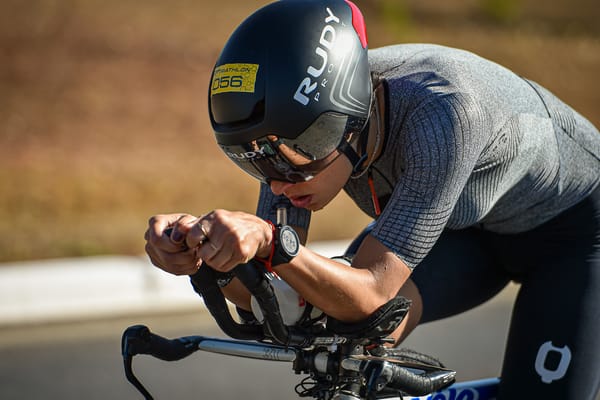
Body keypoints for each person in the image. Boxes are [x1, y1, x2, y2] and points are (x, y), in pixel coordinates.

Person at [144, 0, 600, 398]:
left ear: (343, 120)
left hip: (574, 236)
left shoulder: (444, 116)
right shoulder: (293, 135)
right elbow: (281, 297)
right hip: (467, 232)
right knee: (342, 329)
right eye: (254, 162)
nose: (277, 183)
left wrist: (270, 241)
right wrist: (205, 255)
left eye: (291, 158)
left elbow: (372, 293)